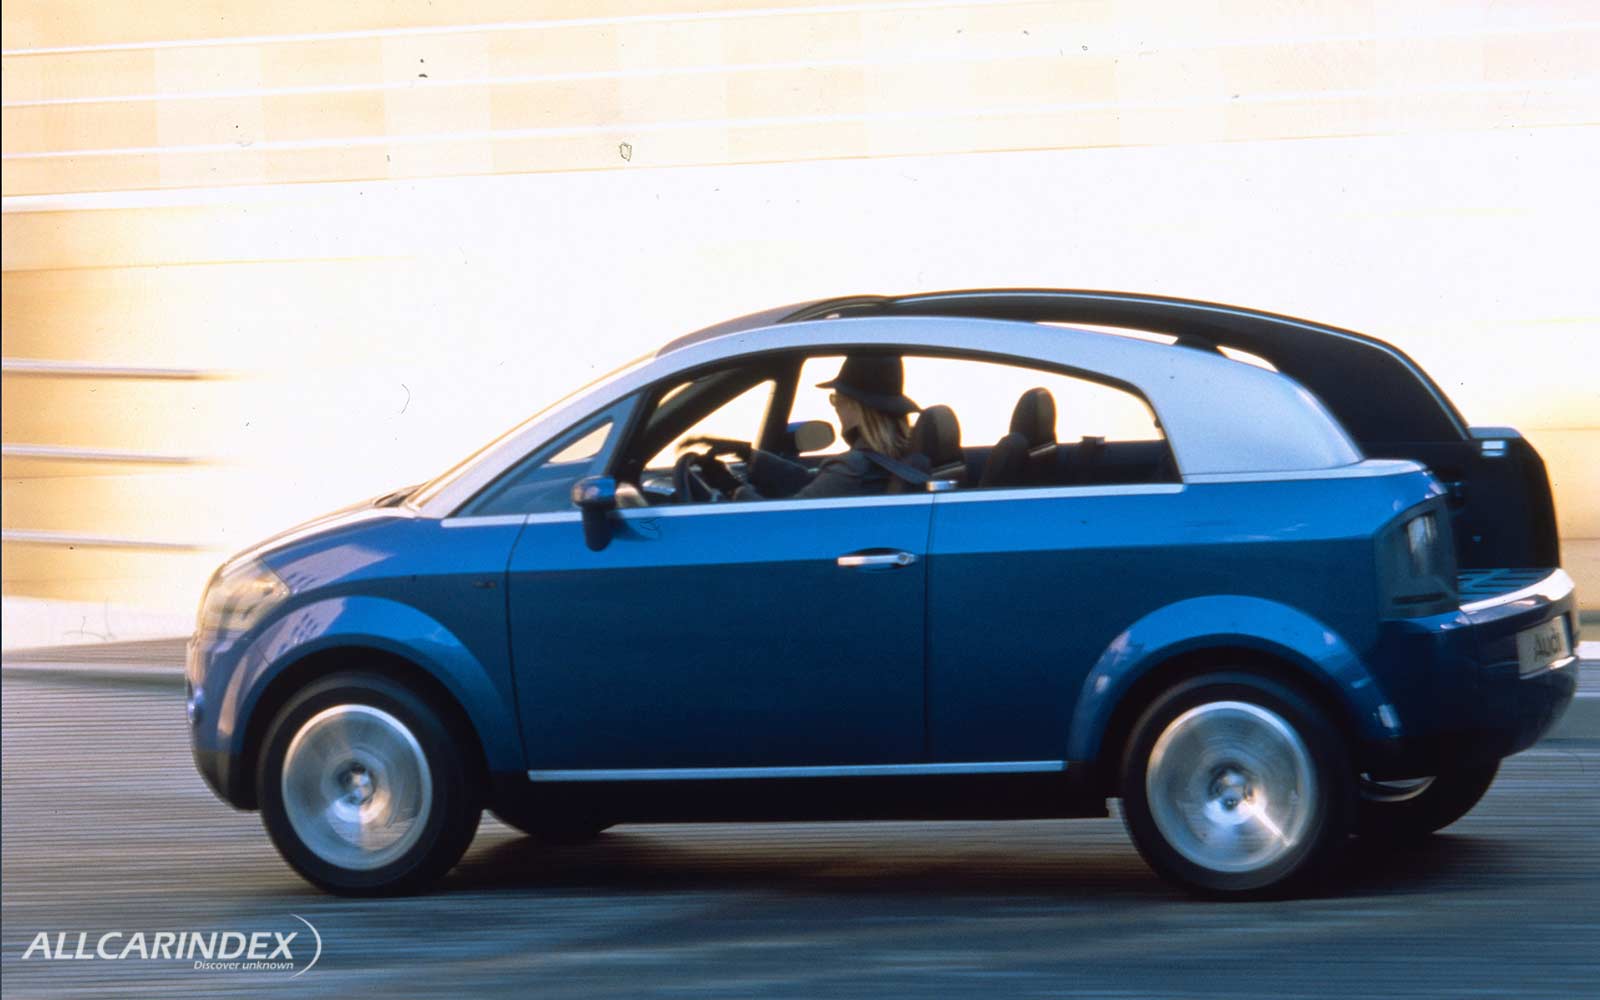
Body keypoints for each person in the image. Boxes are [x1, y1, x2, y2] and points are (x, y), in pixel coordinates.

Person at [733, 355, 920, 500]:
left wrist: (733, 490)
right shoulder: (901, 460)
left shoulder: (854, 468)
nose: (835, 407)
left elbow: (784, 522)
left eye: (835, 399)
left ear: (854, 406)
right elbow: (813, 482)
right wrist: (749, 456)